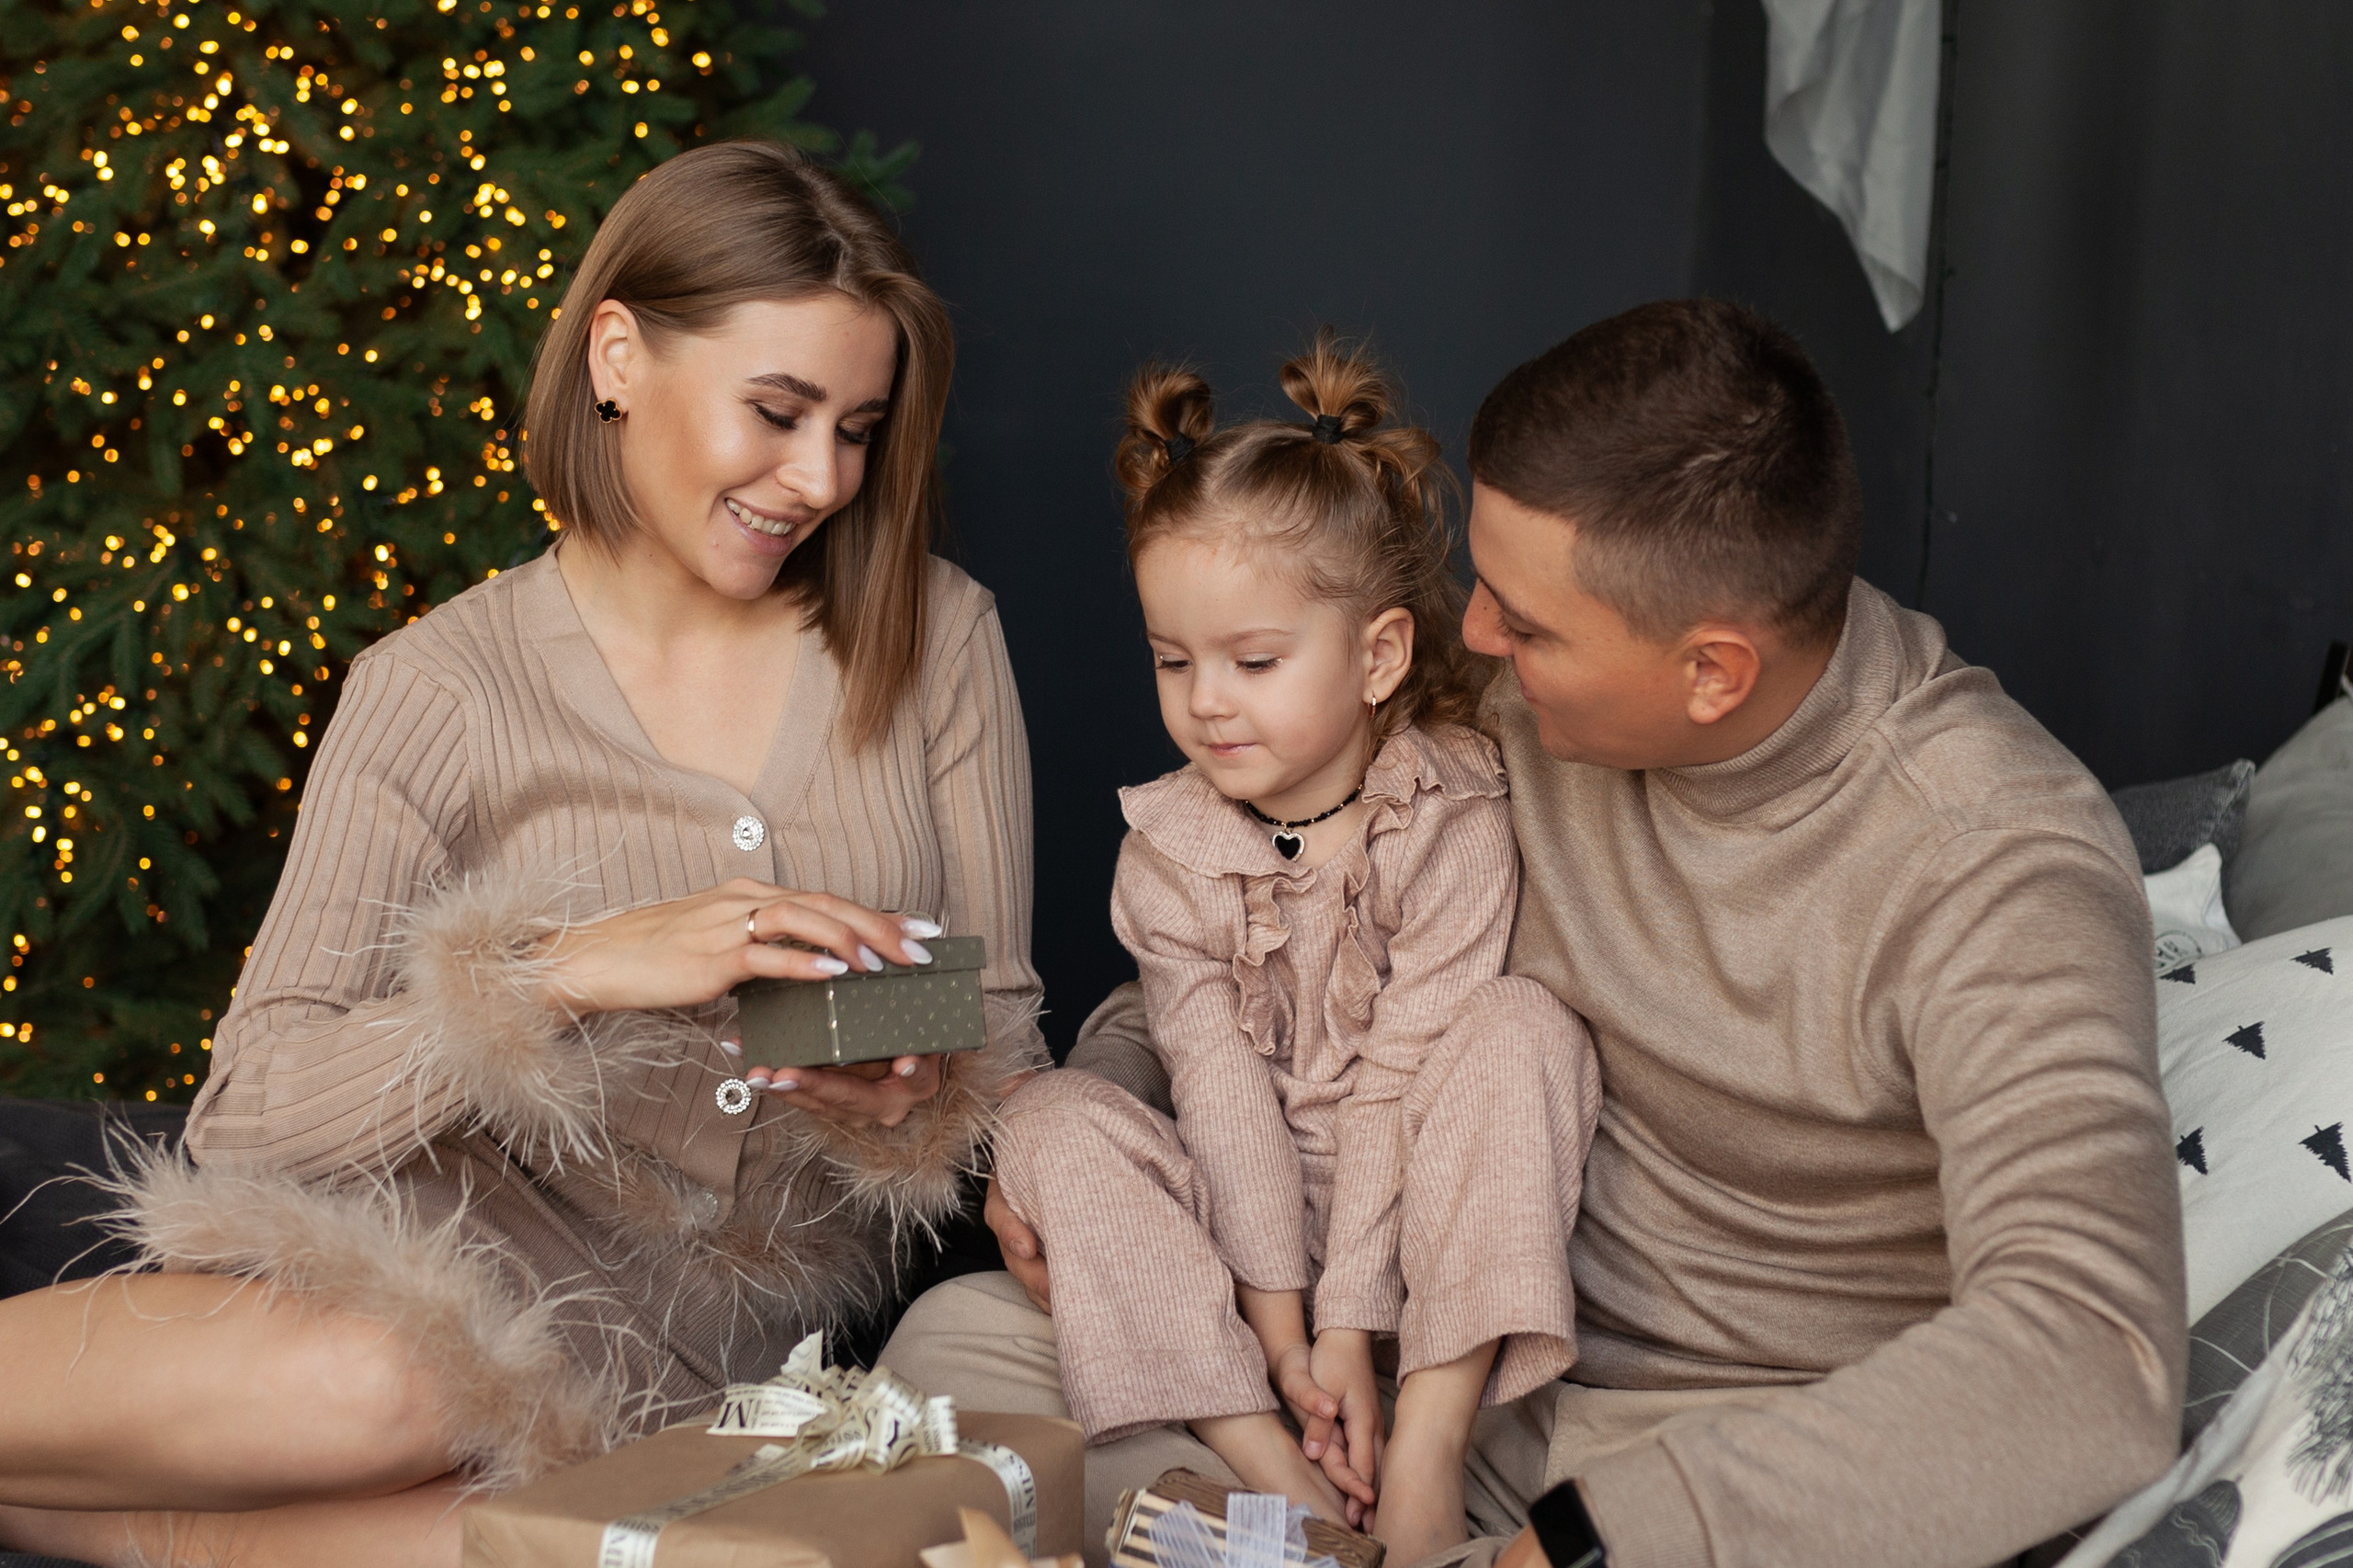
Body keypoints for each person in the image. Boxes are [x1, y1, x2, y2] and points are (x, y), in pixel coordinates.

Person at [886, 299, 2185, 1568]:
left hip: (1716, 1451)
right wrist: (1081, 1128)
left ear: (1712, 670)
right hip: (1410, 1338)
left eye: (1529, 621)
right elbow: (1241, 954)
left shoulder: (1992, 861)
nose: (1478, 635)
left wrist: (1609, 1533)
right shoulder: (1512, 723)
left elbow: (2098, 1356)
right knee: (951, 1364)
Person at [0, 142, 1046, 1568]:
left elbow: (996, 1026)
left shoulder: (940, 637)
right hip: (389, 1291)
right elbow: (249, 1106)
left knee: (525, 1549)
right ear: (618, 354)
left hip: (677, 1368)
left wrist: (897, 1083)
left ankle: (156, 1533)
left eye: (857, 429)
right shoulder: (437, 690)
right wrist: (569, 971)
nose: (820, 478)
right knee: (403, 1377)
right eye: (779, 411)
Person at [989, 340, 1599, 1562]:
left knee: (1527, 1027)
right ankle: (1267, 1456)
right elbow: (1215, 1088)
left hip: (1420, 1224)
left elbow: (1398, 1080)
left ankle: (1426, 1445)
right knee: (1043, 1118)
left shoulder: (1451, 814)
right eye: (1174, 661)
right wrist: (1280, 1346)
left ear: (1377, 657)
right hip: (1237, 1243)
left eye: (1253, 663)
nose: (1206, 700)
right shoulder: (1166, 850)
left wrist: (1351, 1331)